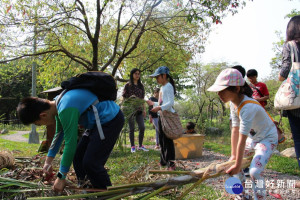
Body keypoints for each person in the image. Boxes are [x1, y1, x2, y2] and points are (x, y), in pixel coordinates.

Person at [17, 90, 124, 192]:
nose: (42, 125)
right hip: (96, 124)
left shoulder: (65, 108)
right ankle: (86, 190)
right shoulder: (58, 103)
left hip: (110, 119)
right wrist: (48, 161)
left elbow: (70, 143)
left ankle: (107, 195)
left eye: (38, 124)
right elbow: (59, 134)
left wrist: (61, 177)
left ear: (43, 115)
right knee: (78, 158)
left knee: (91, 163)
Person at [208, 68, 278, 200]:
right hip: (253, 139)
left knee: (255, 172)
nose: (219, 94)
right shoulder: (233, 105)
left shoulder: (247, 107)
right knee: (233, 165)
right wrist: (234, 157)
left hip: (267, 139)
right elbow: (235, 130)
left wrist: (237, 163)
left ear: (236, 89)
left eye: (222, 90)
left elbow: (242, 136)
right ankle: (242, 196)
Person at [278, 15, 300, 168]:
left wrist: (280, 78)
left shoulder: (290, 45)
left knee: (298, 139)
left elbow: (285, 69)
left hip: (296, 101)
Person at [147, 66, 176, 171]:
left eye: (157, 77)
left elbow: (171, 103)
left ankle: (171, 163)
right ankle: (163, 161)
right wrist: (153, 103)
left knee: (167, 141)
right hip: (161, 116)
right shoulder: (163, 88)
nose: (156, 79)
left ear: (164, 75)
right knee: (162, 140)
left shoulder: (168, 86)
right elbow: (162, 103)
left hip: (167, 117)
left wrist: (159, 107)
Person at [122, 68, 148, 153]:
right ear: (132, 74)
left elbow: (142, 99)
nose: (137, 75)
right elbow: (124, 97)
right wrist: (124, 106)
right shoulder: (128, 85)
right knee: (131, 128)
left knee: (142, 127)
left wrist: (144, 109)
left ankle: (140, 146)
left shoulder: (141, 86)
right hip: (130, 110)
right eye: (136, 73)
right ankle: (132, 146)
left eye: (139, 74)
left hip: (139, 109)